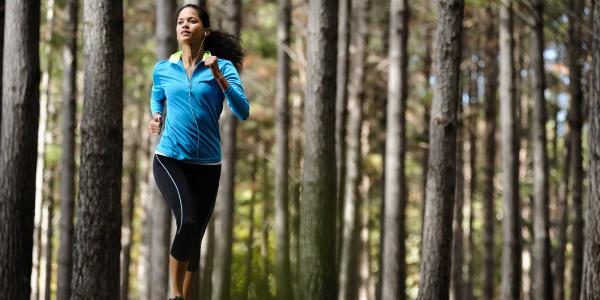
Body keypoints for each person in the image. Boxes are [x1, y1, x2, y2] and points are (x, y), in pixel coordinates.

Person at [147, 4, 249, 300]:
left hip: (208, 165)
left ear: (204, 30)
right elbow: (157, 95)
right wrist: (156, 116)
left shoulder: (222, 67)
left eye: (192, 21)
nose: (184, 25)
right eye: (180, 21)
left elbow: (242, 112)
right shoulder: (164, 68)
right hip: (170, 159)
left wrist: (218, 75)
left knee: (195, 240)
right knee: (188, 222)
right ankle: (175, 294)